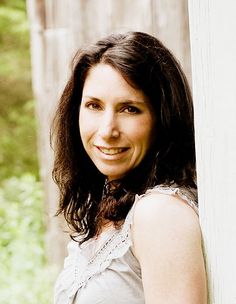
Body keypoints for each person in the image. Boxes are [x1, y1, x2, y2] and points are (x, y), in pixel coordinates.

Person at [52, 31, 207, 304]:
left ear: (163, 117)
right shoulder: (109, 210)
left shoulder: (160, 213)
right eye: (94, 106)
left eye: (129, 109)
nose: (107, 130)